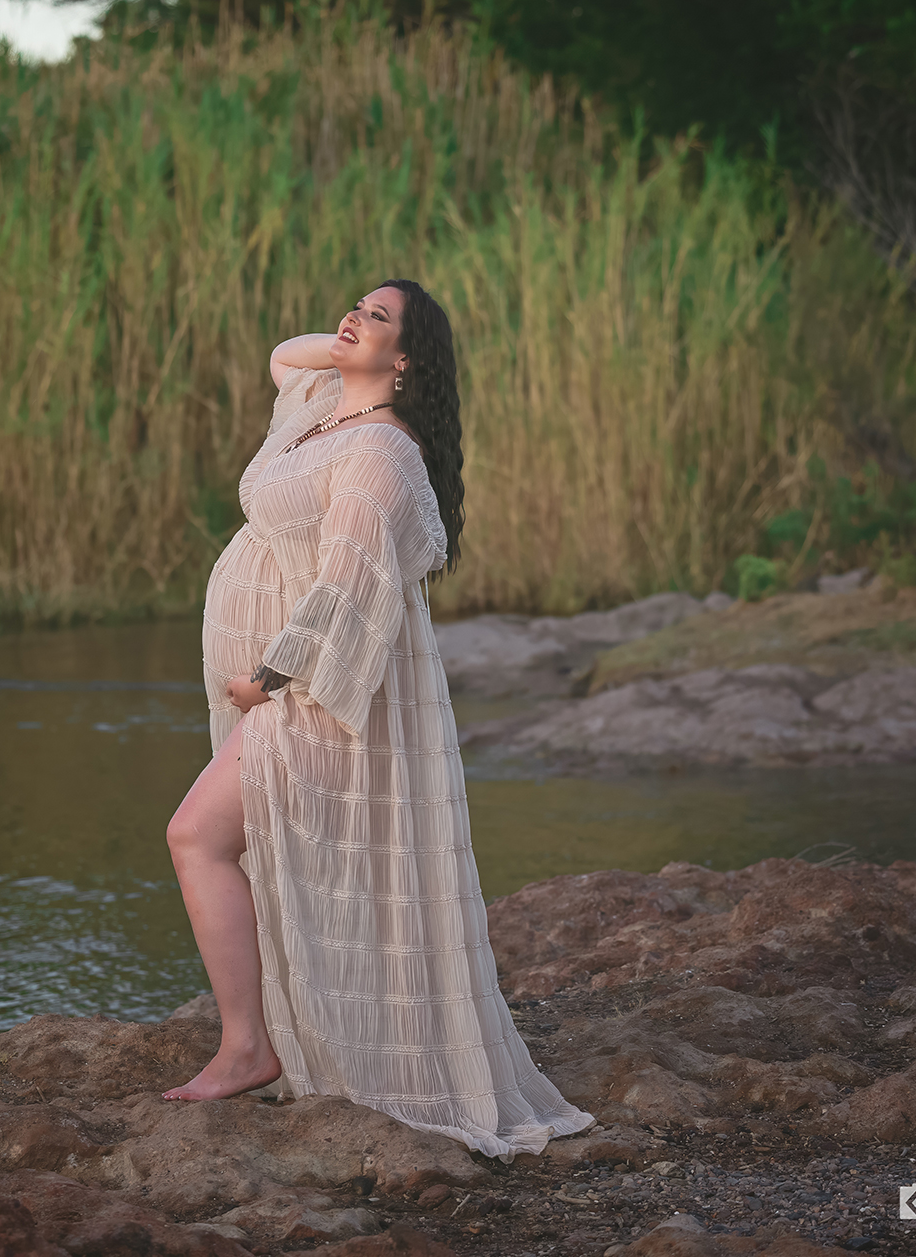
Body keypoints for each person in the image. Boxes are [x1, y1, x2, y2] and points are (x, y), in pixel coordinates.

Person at [161, 278, 596, 1158]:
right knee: (234, 845)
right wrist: (358, 346)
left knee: (196, 836)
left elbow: (351, 582)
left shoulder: (385, 450)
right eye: (352, 305)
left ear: (407, 362)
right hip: (291, 694)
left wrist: (271, 673)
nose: (349, 318)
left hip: (318, 700)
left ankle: (248, 1045)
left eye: (377, 316)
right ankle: (258, 1035)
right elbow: (285, 356)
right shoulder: (322, 410)